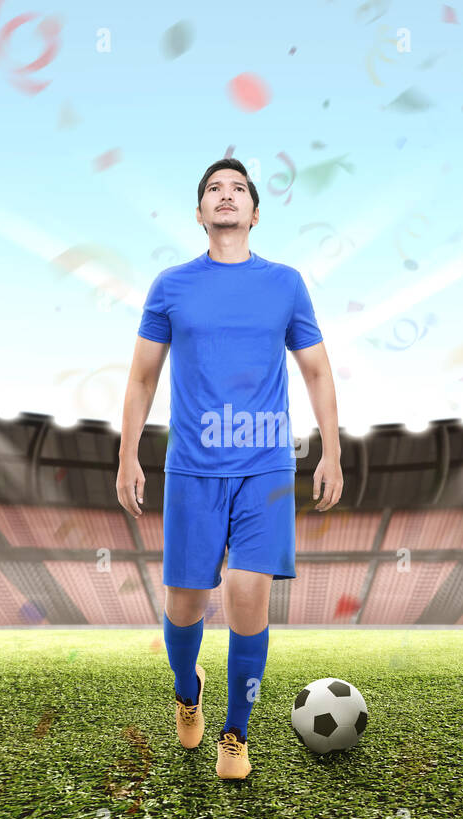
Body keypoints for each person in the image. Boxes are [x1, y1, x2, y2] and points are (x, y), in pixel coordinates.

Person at [116, 158, 343, 779]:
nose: (226, 195)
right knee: (185, 605)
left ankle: (235, 734)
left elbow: (317, 370)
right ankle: (186, 690)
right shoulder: (170, 285)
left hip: (266, 467)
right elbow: (142, 377)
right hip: (192, 469)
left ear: (255, 213)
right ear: (199, 212)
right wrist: (128, 452)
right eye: (214, 189)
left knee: (248, 595)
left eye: (238, 188)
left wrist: (332, 449)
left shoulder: (286, 284)